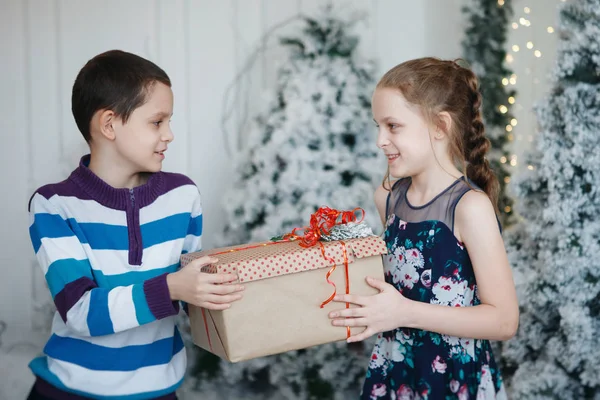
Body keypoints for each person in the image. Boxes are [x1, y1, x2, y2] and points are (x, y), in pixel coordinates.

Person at [26, 50, 244, 399]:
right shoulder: (54, 207)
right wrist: (171, 288)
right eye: (157, 122)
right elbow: (81, 313)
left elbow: (193, 290)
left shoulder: (182, 195)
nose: (170, 134)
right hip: (71, 390)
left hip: (158, 389)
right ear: (109, 124)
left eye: (169, 121)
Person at [328, 57, 519, 399]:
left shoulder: (469, 207)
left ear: (439, 127)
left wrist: (404, 311)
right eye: (378, 126)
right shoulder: (387, 198)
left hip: (451, 378)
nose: (380, 140)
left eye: (393, 126)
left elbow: (504, 321)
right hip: (395, 371)